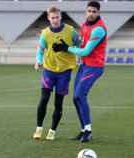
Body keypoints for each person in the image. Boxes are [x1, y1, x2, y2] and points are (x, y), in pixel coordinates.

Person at [52, 0, 107, 142]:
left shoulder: (99, 29)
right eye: (89, 11)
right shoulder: (84, 25)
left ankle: (88, 131)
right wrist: (68, 45)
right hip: (84, 66)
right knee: (76, 98)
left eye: (94, 11)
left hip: (95, 66)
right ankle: (84, 130)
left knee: (79, 95)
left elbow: (87, 50)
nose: (91, 14)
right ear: (86, 11)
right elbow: (81, 44)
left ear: (98, 12)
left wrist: (66, 48)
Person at [33, 6, 79, 141]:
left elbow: (79, 44)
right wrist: (38, 61)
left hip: (64, 72)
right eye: (52, 17)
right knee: (44, 99)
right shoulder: (45, 33)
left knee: (58, 103)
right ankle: (39, 128)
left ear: (61, 17)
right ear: (48, 18)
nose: (55, 20)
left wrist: (76, 53)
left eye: (57, 17)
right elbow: (40, 50)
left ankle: (52, 130)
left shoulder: (70, 31)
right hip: (49, 70)